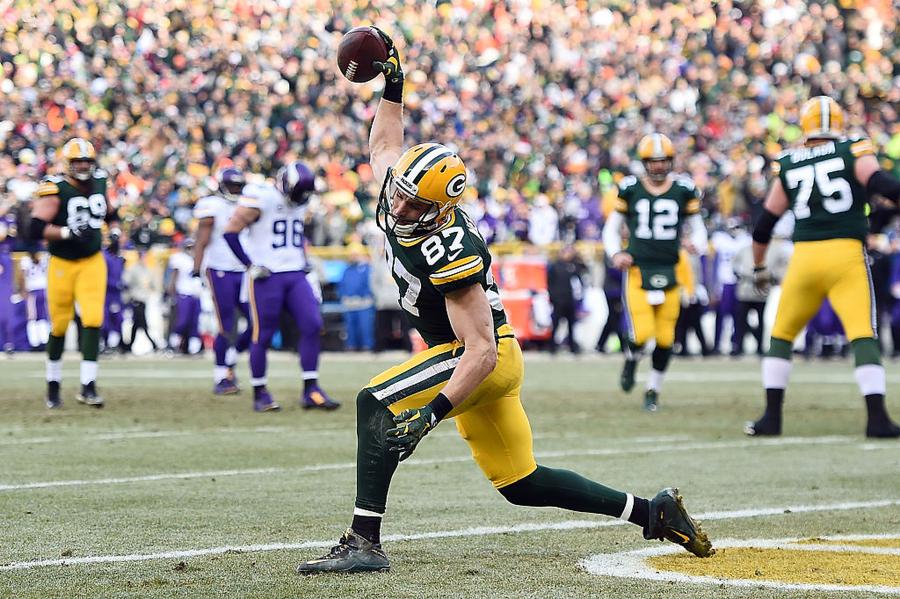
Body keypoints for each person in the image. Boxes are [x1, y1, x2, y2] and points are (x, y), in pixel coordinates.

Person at [296, 29, 712, 575]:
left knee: (375, 403)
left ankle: (363, 541)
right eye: (397, 192)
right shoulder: (405, 188)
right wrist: (393, 84)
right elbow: (383, 146)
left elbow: (481, 350)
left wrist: (431, 413)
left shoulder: (449, 243)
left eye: (410, 201)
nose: (396, 204)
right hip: (474, 355)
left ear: (440, 209)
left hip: (477, 357)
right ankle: (651, 512)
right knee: (521, 483)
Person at [746, 96, 900, 438]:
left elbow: (764, 224)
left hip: (804, 258)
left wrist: (758, 268)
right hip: (844, 255)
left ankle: (771, 417)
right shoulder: (852, 149)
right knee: (862, 333)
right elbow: (879, 183)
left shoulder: (788, 161)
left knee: (782, 335)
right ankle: (876, 418)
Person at [602, 133, 708, 411]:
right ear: (645, 162)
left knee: (665, 339)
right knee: (641, 334)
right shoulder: (630, 189)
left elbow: (698, 228)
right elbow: (612, 228)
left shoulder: (684, 190)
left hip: (670, 270)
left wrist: (696, 243)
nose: (659, 166)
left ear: (671, 162)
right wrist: (616, 253)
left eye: (663, 161)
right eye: (653, 161)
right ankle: (631, 359)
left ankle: (652, 390)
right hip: (638, 271)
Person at [223, 163, 338, 412]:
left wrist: (304, 259)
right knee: (262, 334)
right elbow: (230, 231)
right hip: (267, 275)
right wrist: (249, 264)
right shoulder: (261, 197)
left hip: (296, 273)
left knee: (313, 325)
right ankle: (260, 391)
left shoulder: (302, 199)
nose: (299, 199)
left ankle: (311, 388)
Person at [29, 138, 120, 408]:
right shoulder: (54, 188)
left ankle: (88, 385)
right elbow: (34, 229)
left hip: (92, 260)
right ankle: (53, 384)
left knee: (93, 319)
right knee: (59, 324)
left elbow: (111, 214)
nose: (82, 166)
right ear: (67, 164)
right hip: (62, 262)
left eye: (87, 161)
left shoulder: (100, 181)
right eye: (77, 161)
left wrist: (114, 232)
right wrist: (67, 232)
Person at [193, 167, 252, 394]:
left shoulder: (248, 204)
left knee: (256, 322)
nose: (235, 190)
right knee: (225, 324)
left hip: (245, 271)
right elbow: (202, 239)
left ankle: (230, 359)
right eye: (232, 186)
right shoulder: (212, 206)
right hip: (220, 270)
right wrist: (196, 268)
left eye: (239, 186)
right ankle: (221, 376)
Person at [710, 219, 748, 355]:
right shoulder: (719, 239)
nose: (734, 230)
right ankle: (717, 345)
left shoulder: (745, 240)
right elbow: (711, 261)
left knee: (739, 317)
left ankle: (737, 345)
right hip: (724, 283)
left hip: (740, 283)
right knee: (720, 316)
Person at [546, 245, 586, 354]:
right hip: (559, 300)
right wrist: (553, 298)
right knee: (556, 324)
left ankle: (573, 347)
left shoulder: (574, 265)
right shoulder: (555, 266)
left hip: (570, 300)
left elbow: (583, 271)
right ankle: (552, 347)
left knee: (571, 325)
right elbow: (550, 283)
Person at [166, 239, 203, 356]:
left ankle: (194, 349)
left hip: (196, 295)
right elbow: (174, 275)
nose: (190, 250)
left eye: (192, 247)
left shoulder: (200, 258)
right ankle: (173, 346)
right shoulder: (179, 259)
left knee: (195, 323)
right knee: (181, 322)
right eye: (188, 247)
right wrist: (171, 292)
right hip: (183, 294)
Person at [123, 248, 160, 353]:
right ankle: (153, 344)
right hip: (136, 299)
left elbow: (153, 285)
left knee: (137, 324)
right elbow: (126, 283)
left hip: (144, 300)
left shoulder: (148, 269)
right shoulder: (133, 269)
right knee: (142, 323)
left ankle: (128, 345)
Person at [339, 244, 375, 352]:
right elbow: (342, 285)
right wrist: (344, 296)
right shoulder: (347, 270)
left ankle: (367, 346)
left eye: (355, 254)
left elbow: (370, 284)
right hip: (350, 303)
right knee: (350, 327)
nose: (353, 257)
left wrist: (363, 295)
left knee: (365, 327)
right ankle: (351, 346)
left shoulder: (367, 269)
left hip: (363, 302)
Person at [19, 250, 49, 350]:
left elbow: (22, 277)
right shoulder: (27, 259)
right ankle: (37, 343)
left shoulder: (44, 257)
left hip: (40, 289)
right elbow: (22, 277)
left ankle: (41, 342)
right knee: (34, 317)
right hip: (34, 290)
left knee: (40, 317)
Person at [102, 236, 126, 354]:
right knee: (105, 320)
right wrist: (115, 284)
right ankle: (103, 344)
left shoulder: (117, 259)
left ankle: (112, 344)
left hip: (115, 295)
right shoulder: (105, 257)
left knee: (117, 319)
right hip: (106, 294)